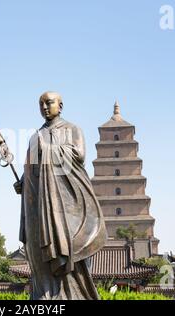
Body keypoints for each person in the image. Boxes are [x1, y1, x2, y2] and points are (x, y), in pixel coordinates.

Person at [14, 91, 106, 300]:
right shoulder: (35, 136)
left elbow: (79, 155)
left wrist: (48, 149)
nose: (45, 107)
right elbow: (31, 165)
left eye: (49, 103)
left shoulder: (73, 130)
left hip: (65, 206)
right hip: (39, 206)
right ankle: (44, 296)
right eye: (41, 104)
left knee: (67, 251)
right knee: (39, 256)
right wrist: (23, 180)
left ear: (60, 106)